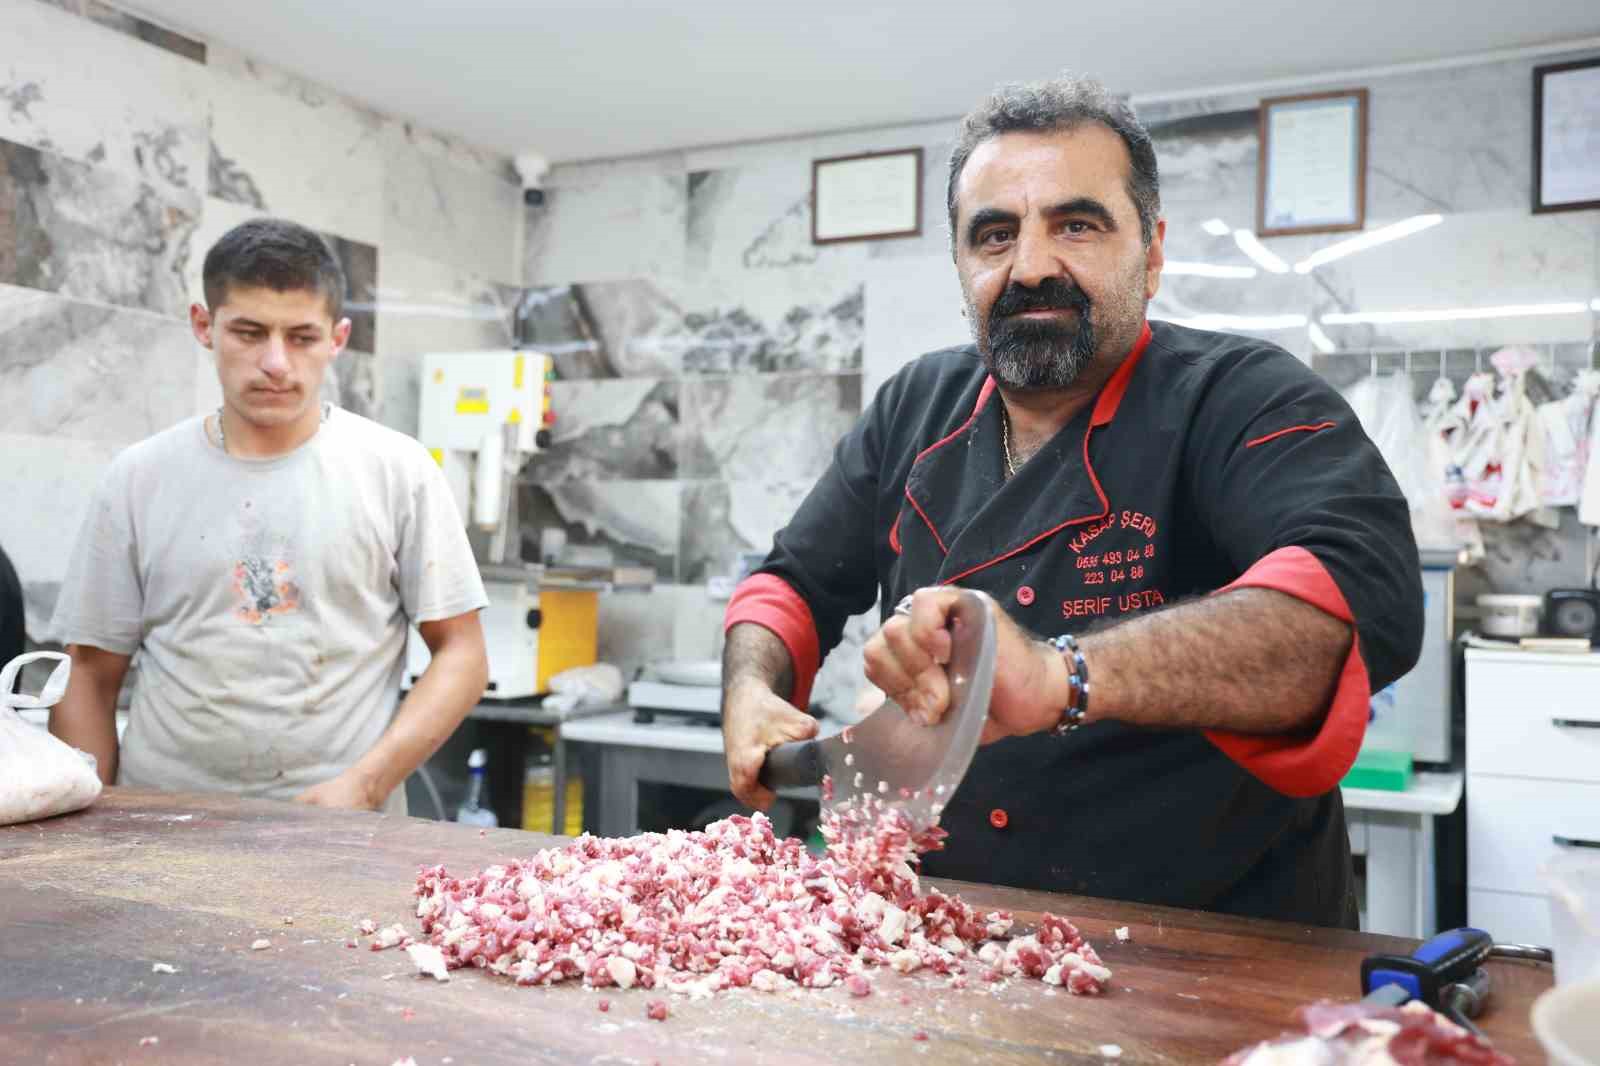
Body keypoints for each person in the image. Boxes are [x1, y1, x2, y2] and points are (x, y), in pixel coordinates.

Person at [719, 76, 1423, 927]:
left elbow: (1358, 599)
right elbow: (790, 582)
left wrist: (1061, 676)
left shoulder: (1242, 397)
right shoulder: (915, 406)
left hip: (1212, 963)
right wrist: (752, 688)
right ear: (961, 262)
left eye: (1076, 224)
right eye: (994, 234)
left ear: (1152, 252)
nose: (1031, 266)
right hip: (950, 942)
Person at [49, 218, 489, 813]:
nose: (276, 362)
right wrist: (87, 824)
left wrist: (367, 784)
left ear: (337, 338)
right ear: (204, 326)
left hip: (340, 832)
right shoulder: (139, 476)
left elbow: (461, 652)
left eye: (302, 337)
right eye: (249, 333)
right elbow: (90, 673)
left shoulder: (397, 470)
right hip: (162, 824)